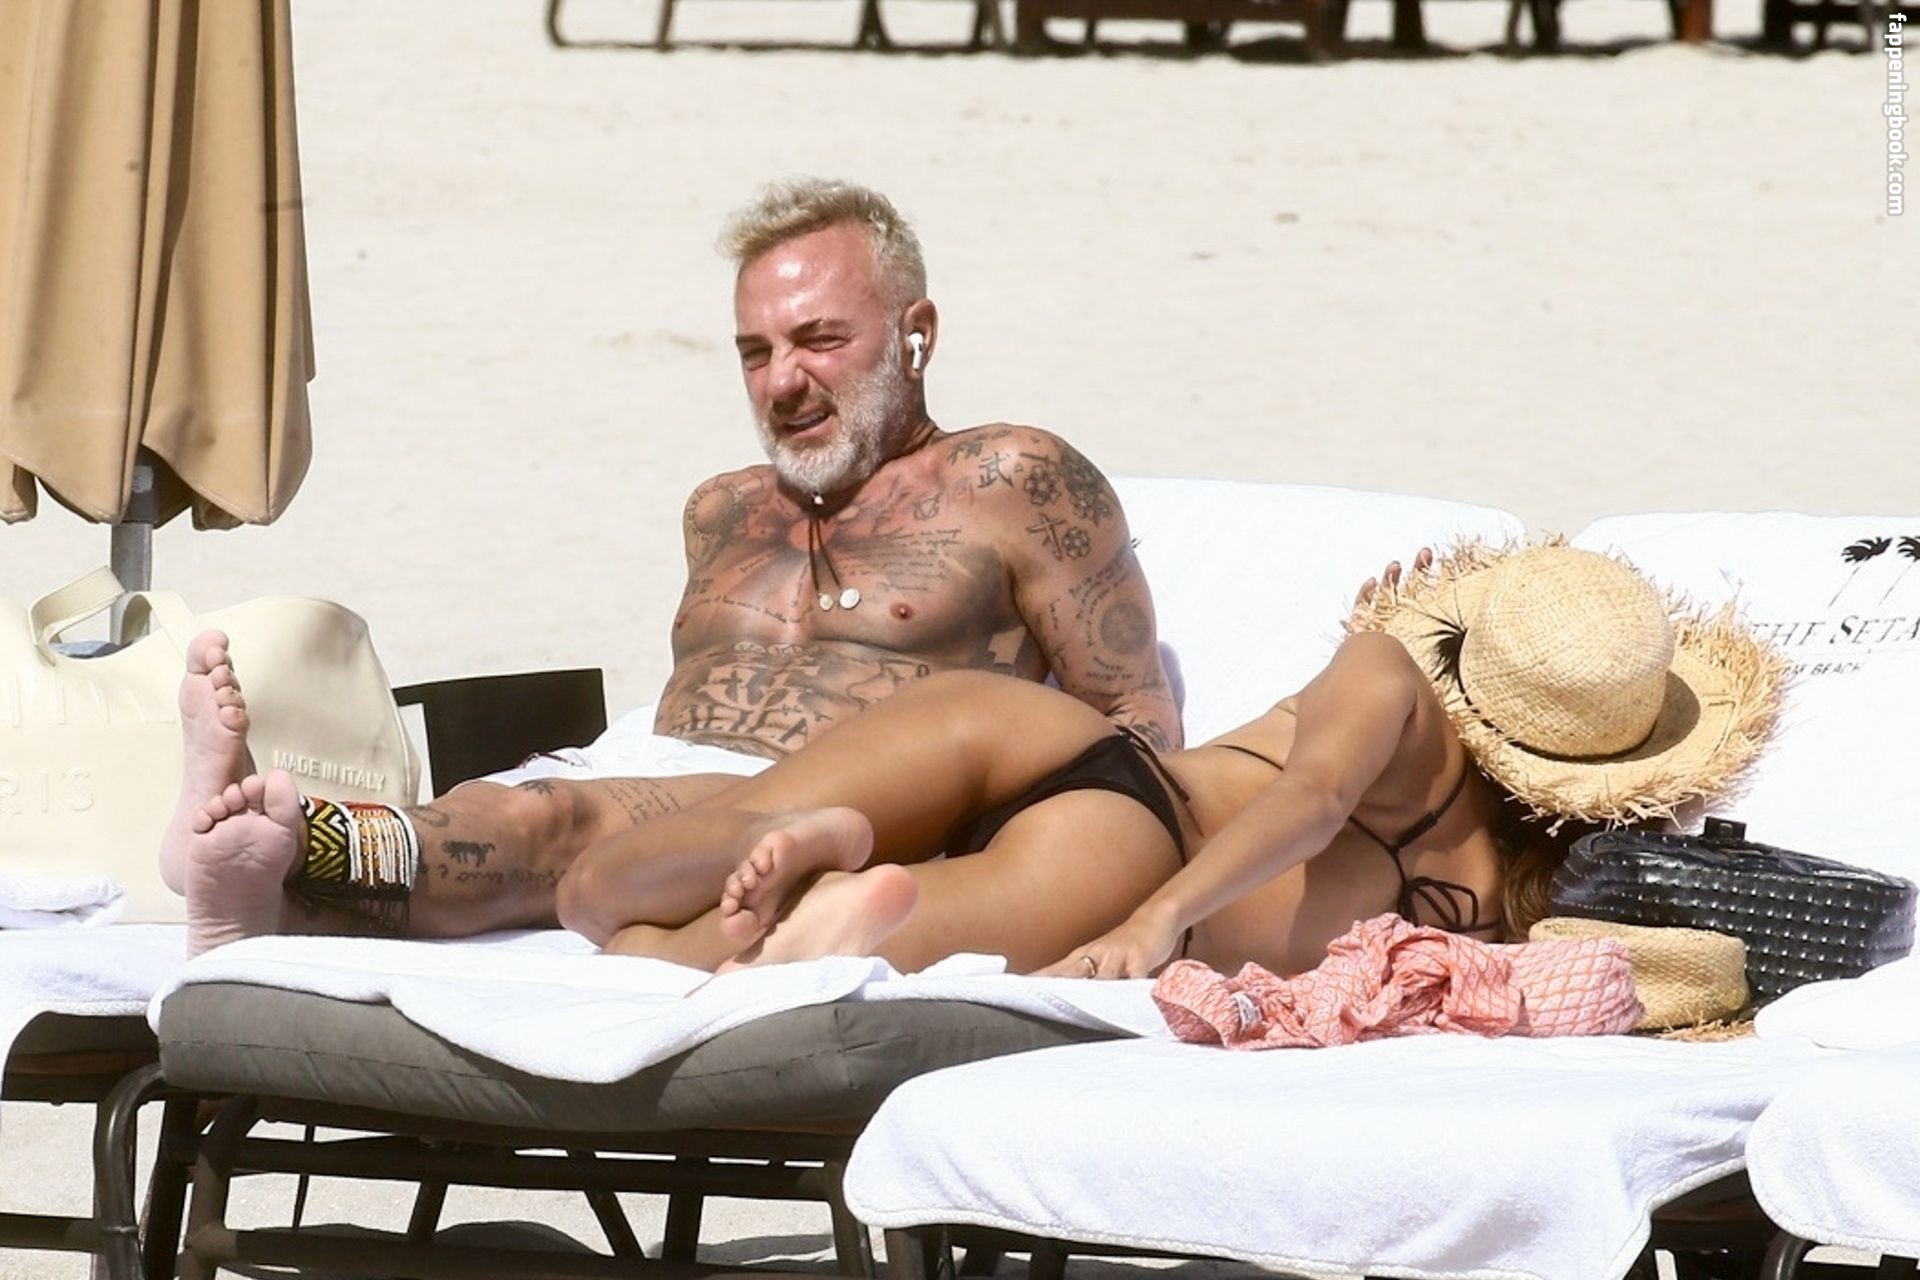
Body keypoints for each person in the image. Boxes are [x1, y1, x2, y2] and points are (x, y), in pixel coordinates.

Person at [161, 178, 1179, 952]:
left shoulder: (1013, 477)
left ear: (916, 335)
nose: (782, 381)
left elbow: (1132, 728)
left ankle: (294, 842)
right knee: (501, 805)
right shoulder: (722, 508)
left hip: (844, 800)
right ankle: (270, 885)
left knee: (555, 821)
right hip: (651, 767)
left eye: (820, 339)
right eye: (755, 351)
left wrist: (1044, 871)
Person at [522, 543, 1782, 978]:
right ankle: (832, 880)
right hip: (1119, 852)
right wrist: (1154, 921)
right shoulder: (1506, 899)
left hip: (1054, 751)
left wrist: (1157, 913)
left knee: (600, 901)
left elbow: (1310, 794)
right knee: (653, 949)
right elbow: (1311, 811)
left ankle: (834, 840)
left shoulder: (1389, 675)